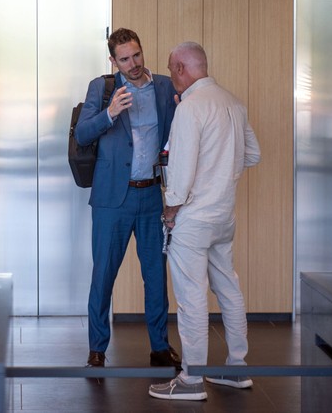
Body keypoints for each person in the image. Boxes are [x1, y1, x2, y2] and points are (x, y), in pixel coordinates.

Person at [148, 42, 261, 401]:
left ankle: (191, 380)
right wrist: (219, 176)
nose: (170, 76)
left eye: (170, 69)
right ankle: (236, 369)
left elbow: (179, 174)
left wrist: (170, 209)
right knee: (229, 287)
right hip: (223, 217)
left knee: (192, 297)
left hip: (193, 220)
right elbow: (253, 154)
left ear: (182, 68)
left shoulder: (191, 108)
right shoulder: (233, 102)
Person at [74, 28, 180, 369]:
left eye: (136, 55)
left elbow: (176, 135)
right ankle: (97, 349)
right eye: (124, 59)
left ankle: (160, 347)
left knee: (155, 275)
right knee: (103, 274)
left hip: (150, 195)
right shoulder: (103, 88)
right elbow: (83, 132)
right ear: (113, 60)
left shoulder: (163, 87)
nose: (132, 64)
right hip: (110, 200)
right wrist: (110, 113)